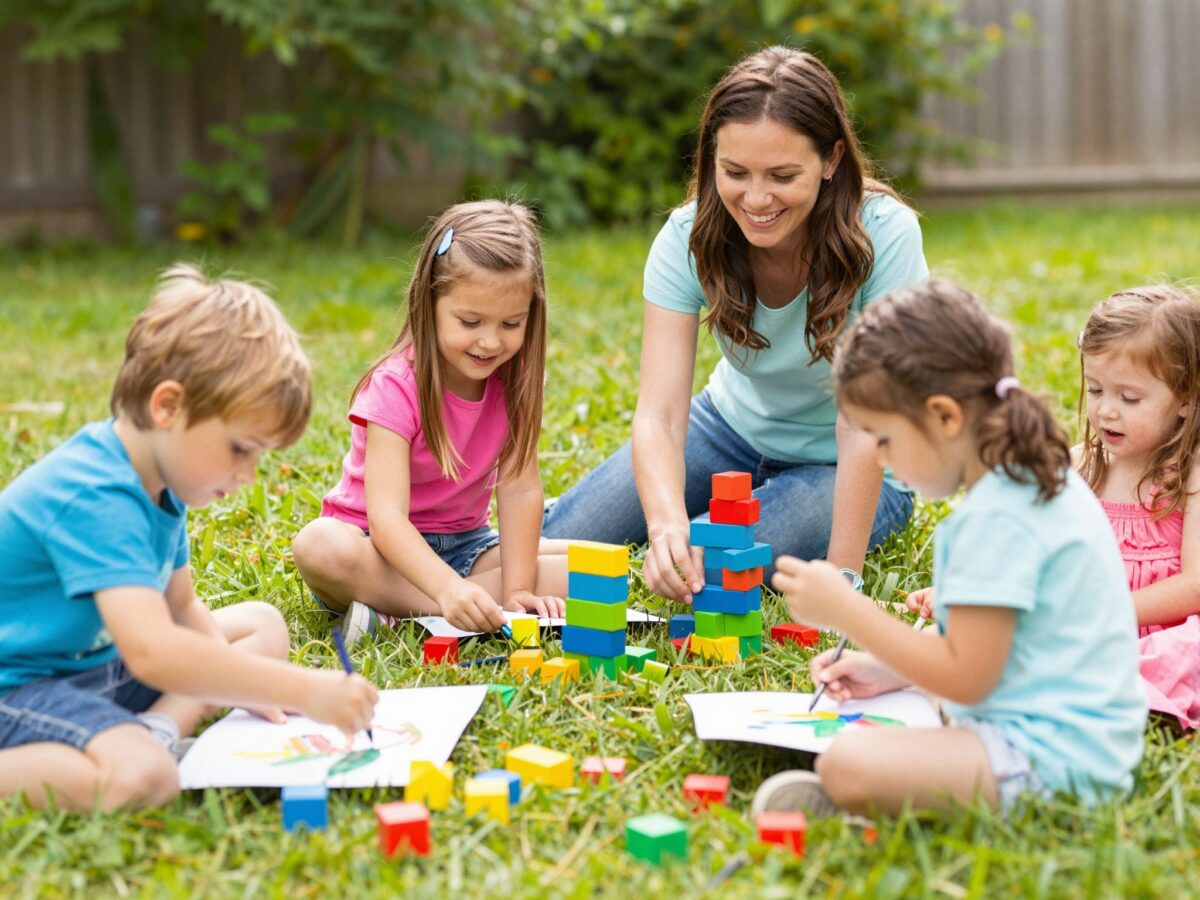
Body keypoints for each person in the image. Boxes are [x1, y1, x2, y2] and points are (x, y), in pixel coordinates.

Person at [542, 45, 928, 603]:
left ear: (832, 160)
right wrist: (666, 522)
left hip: (848, 463)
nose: (756, 198)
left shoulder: (885, 236)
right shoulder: (688, 237)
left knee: (714, 569)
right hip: (727, 430)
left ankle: (717, 531)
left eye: (782, 175)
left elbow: (865, 424)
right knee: (561, 541)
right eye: (735, 172)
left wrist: (843, 583)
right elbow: (661, 415)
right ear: (711, 160)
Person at [753, 280, 1146, 817]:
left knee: (848, 763)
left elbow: (966, 674)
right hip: (1064, 731)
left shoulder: (997, 518)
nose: (883, 461)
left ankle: (863, 801)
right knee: (896, 723)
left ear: (944, 417)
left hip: (1054, 760)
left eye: (885, 439)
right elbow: (1000, 649)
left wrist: (850, 612)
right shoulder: (1026, 478)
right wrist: (893, 670)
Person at [0, 265, 378, 812]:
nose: (247, 476)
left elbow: (182, 608)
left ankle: (153, 729)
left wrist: (258, 683)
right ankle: (141, 746)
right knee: (143, 779)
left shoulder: (158, 482)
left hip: (90, 664)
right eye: (239, 450)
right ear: (168, 406)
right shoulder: (94, 495)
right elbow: (154, 652)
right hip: (19, 686)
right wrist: (299, 689)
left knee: (262, 627)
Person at [293, 200, 567, 640]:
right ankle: (439, 605)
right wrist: (447, 590)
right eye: (470, 321)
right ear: (429, 301)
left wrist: (518, 589)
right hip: (374, 547)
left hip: (466, 546)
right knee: (317, 545)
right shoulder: (395, 386)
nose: (490, 341)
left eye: (511, 323)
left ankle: (397, 608)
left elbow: (520, 487)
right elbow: (386, 519)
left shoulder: (518, 383)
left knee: (581, 565)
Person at [1077, 286, 1200, 729]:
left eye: (1129, 398)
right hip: (1086, 628)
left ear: (1186, 398)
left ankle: (1140, 699)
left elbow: (1195, 587)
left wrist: (1107, 613)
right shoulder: (1079, 468)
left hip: (1167, 631)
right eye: (1095, 390)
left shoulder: (1190, 475)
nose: (1106, 411)